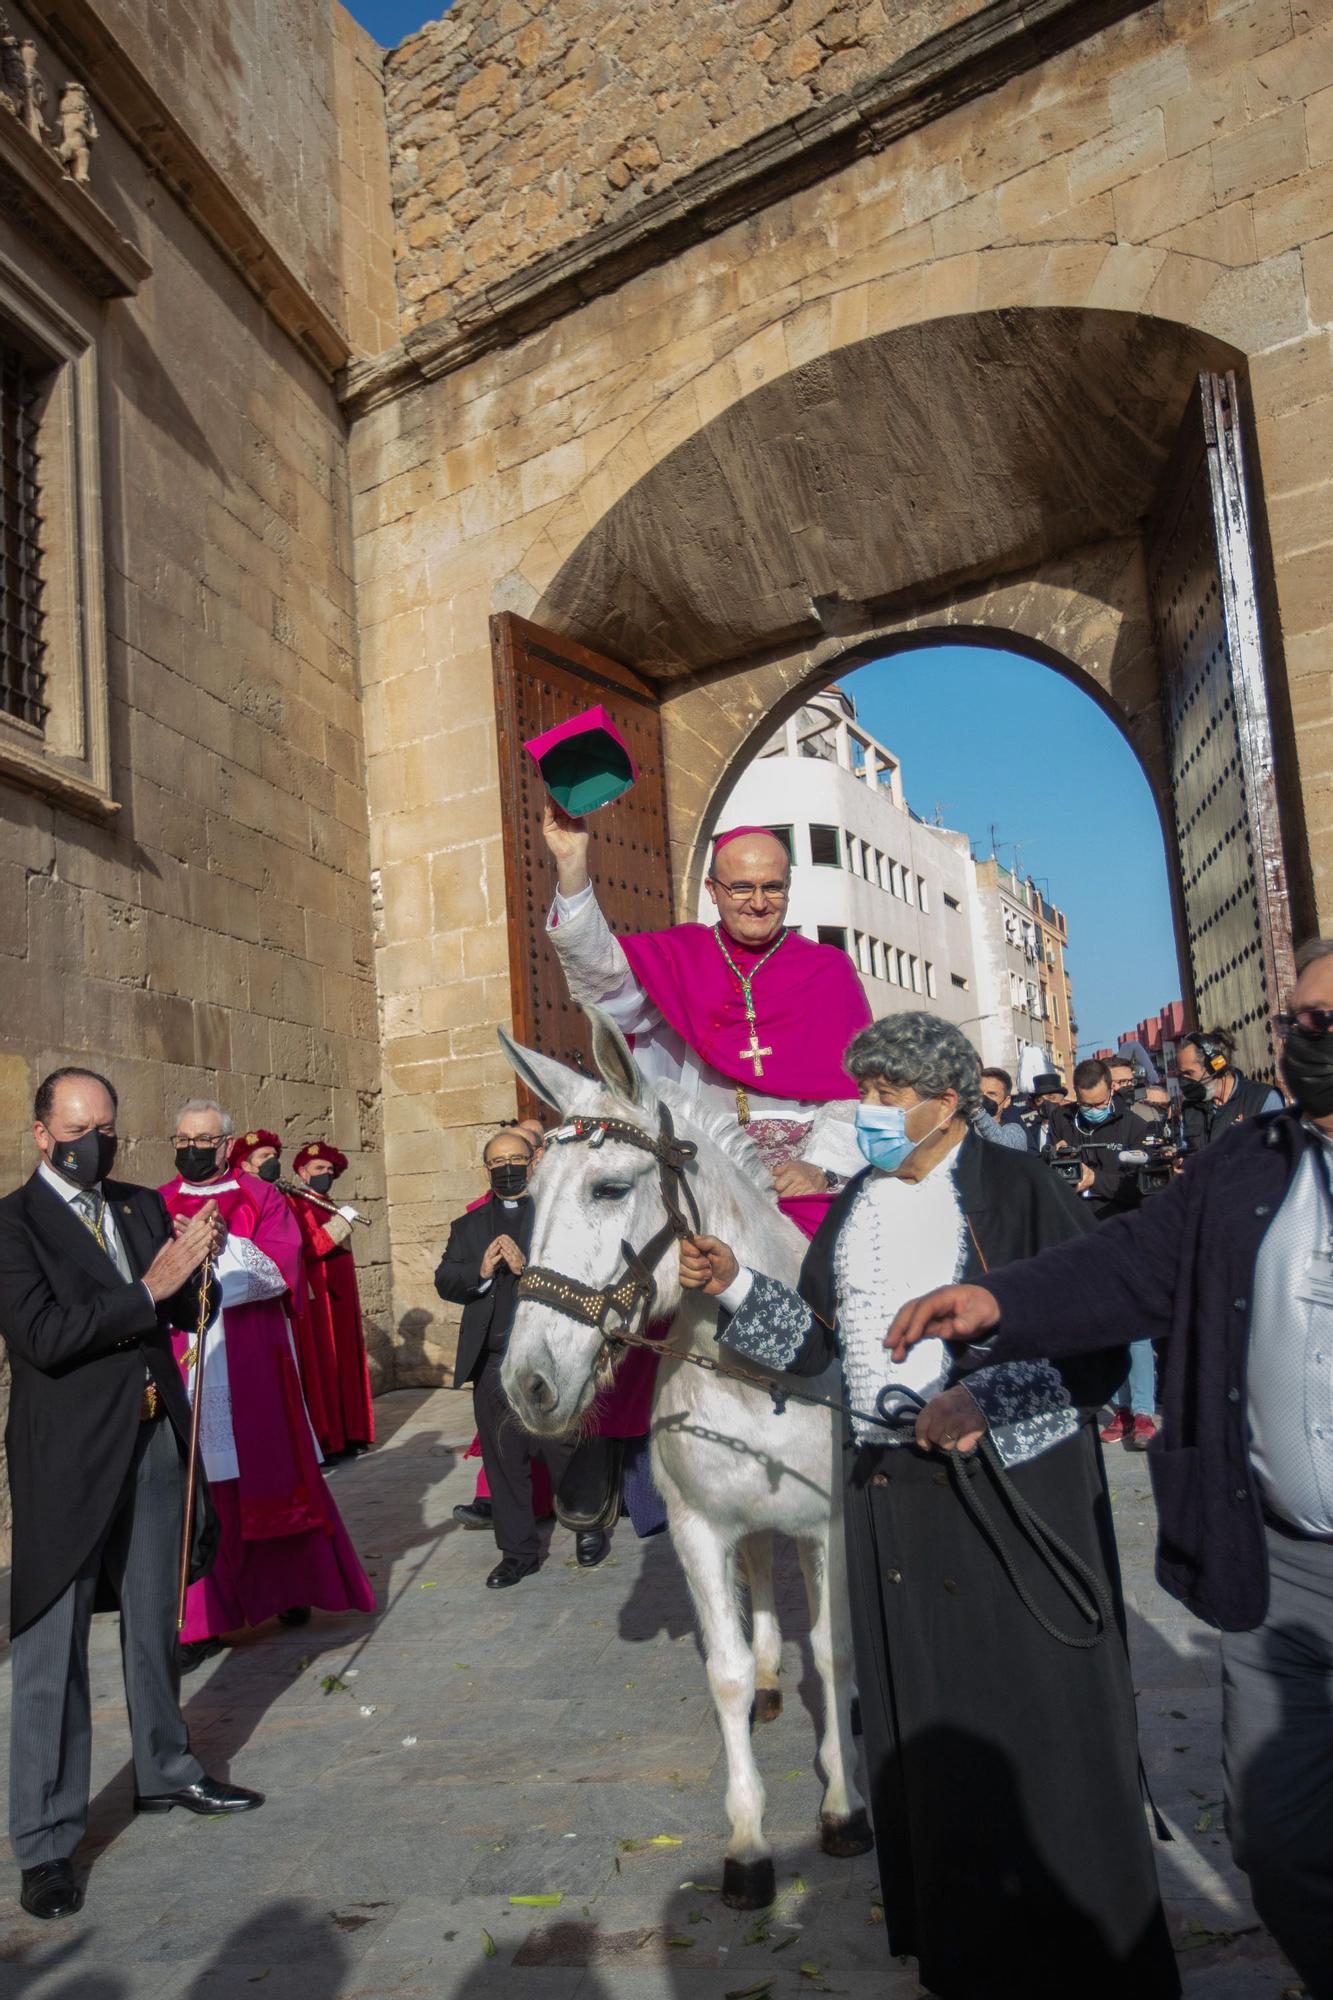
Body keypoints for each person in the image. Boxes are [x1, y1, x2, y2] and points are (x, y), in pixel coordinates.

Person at [679, 1012, 1177, 2000]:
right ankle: (965, 1949)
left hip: (1007, 1495)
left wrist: (981, 1400)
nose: (863, 1110)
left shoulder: (1017, 1186)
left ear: (946, 1099)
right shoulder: (858, 1202)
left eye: (883, 1092)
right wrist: (737, 1289)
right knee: (928, 1729)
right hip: (889, 1501)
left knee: (1036, 1718)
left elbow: (1098, 1337)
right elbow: (818, 1351)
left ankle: (1086, 1954)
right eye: (858, 1088)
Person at [885, 941, 1333, 2000]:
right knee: (1277, 1841)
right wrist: (1003, 1303)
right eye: (1298, 1019)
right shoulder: (1248, 1161)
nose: (1305, 1038)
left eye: (1328, 1023)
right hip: (1280, 1566)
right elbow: (1135, 1263)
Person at [0, 1069, 262, 1922]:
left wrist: (198, 1271)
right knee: (52, 1653)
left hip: (153, 1444)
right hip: (68, 1463)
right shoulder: (14, 1223)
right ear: (42, 1133)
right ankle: (45, 1840)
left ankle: (165, 1768)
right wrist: (147, 1289)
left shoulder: (140, 1207)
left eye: (107, 1128)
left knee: (154, 1623)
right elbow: (42, 1338)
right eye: (78, 1129)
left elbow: (183, 1315)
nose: (95, 1143)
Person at [543, 808, 869, 1238]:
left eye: (773, 888)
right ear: (712, 890)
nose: (758, 902)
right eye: (741, 888)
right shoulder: (683, 953)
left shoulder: (828, 970)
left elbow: (862, 1087)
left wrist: (823, 1169)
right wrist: (572, 867)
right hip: (703, 1168)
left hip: (804, 1179)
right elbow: (600, 975)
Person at [163, 1102, 375, 1669]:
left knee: (271, 1477)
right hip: (185, 1362)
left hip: (254, 1360)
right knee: (196, 1489)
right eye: (182, 1138)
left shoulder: (261, 1198)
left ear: (225, 1143)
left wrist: (217, 1245)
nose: (192, 1147)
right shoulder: (156, 1202)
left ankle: (289, 1589)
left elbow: (281, 1268)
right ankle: (200, 1623)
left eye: (204, 1138)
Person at [435, 1129, 617, 1587]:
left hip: (552, 1354)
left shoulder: (557, 1215)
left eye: (516, 1159)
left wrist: (525, 1270)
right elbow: (446, 1279)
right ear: (486, 1170)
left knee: (564, 1446)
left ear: (534, 1162)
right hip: (494, 1360)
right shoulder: (468, 1227)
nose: (508, 1168)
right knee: (503, 1458)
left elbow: (587, 1273)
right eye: (498, 1163)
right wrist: (479, 1271)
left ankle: (586, 1527)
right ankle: (517, 1552)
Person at [230, 1128, 332, 1455]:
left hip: (288, 1294)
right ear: (246, 1166)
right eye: (264, 1158)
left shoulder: (282, 1196)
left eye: (275, 1157)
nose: (273, 1162)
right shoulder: (243, 1198)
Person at [288, 1142, 376, 1459]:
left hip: (341, 1298)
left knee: (346, 1364)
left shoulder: (324, 1202)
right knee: (327, 1364)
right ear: (301, 1172)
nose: (325, 1174)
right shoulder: (298, 1203)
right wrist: (341, 1223)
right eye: (318, 1169)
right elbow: (309, 1248)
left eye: (329, 1170)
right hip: (320, 1296)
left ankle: (351, 1432)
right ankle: (330, 1439)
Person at [1047, 1058, 1144, 1220]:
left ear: (1111, 1089)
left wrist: (1094, 1179)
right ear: (1076, 1093)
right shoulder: (1061, 1118)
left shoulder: (1134, 1126)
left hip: (1117, 1219)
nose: (1094, 1110)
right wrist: (1054, 1157)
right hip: (1072, 1218)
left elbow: (1138, 1186)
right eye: (1085, 1105)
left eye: (1100, 1104)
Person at [1177, 1027, 1282, 1150]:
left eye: (1189, 1073)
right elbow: (1185, 1149)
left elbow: (1277, 1157)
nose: (1184, 1080)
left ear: (1215, 1066)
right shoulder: (1189, 1108)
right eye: (1181, 1075)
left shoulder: (1264, 1099)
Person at [978, 1065, 1028, 1150]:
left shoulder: (1015, 1132)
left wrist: (978, 1113)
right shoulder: (965, 1127)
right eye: (979, 1093)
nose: (983, 1098)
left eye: (992, 1094)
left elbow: (1004, 1146)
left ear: (1007, 1101)